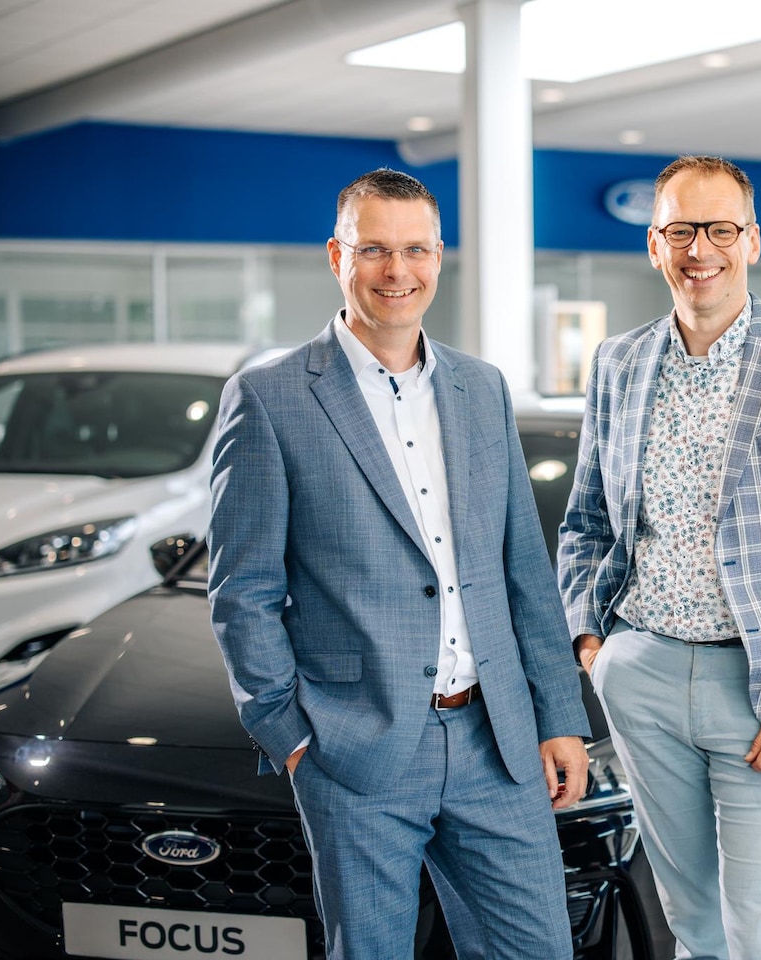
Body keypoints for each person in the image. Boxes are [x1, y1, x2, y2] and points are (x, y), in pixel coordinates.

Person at [208, 168, 589, 960]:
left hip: (496, 740)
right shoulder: (271, 397)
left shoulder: (482, 388)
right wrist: (291, 736)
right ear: (336, 256)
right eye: (374, 249)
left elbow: (524, 567)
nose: (397, 270)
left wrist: (558, 716)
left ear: (439, 257)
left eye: (415, 249)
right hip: (357, 746)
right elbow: (243, 591)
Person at [558, 155, 761, 960]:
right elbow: (586, 522)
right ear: (654, 244)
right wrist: (594, 646)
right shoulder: (619, 362)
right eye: (680, 230)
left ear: (751, 241)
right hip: (642, 678)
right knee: (695, 927)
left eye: (718, 229)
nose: (698, 249)